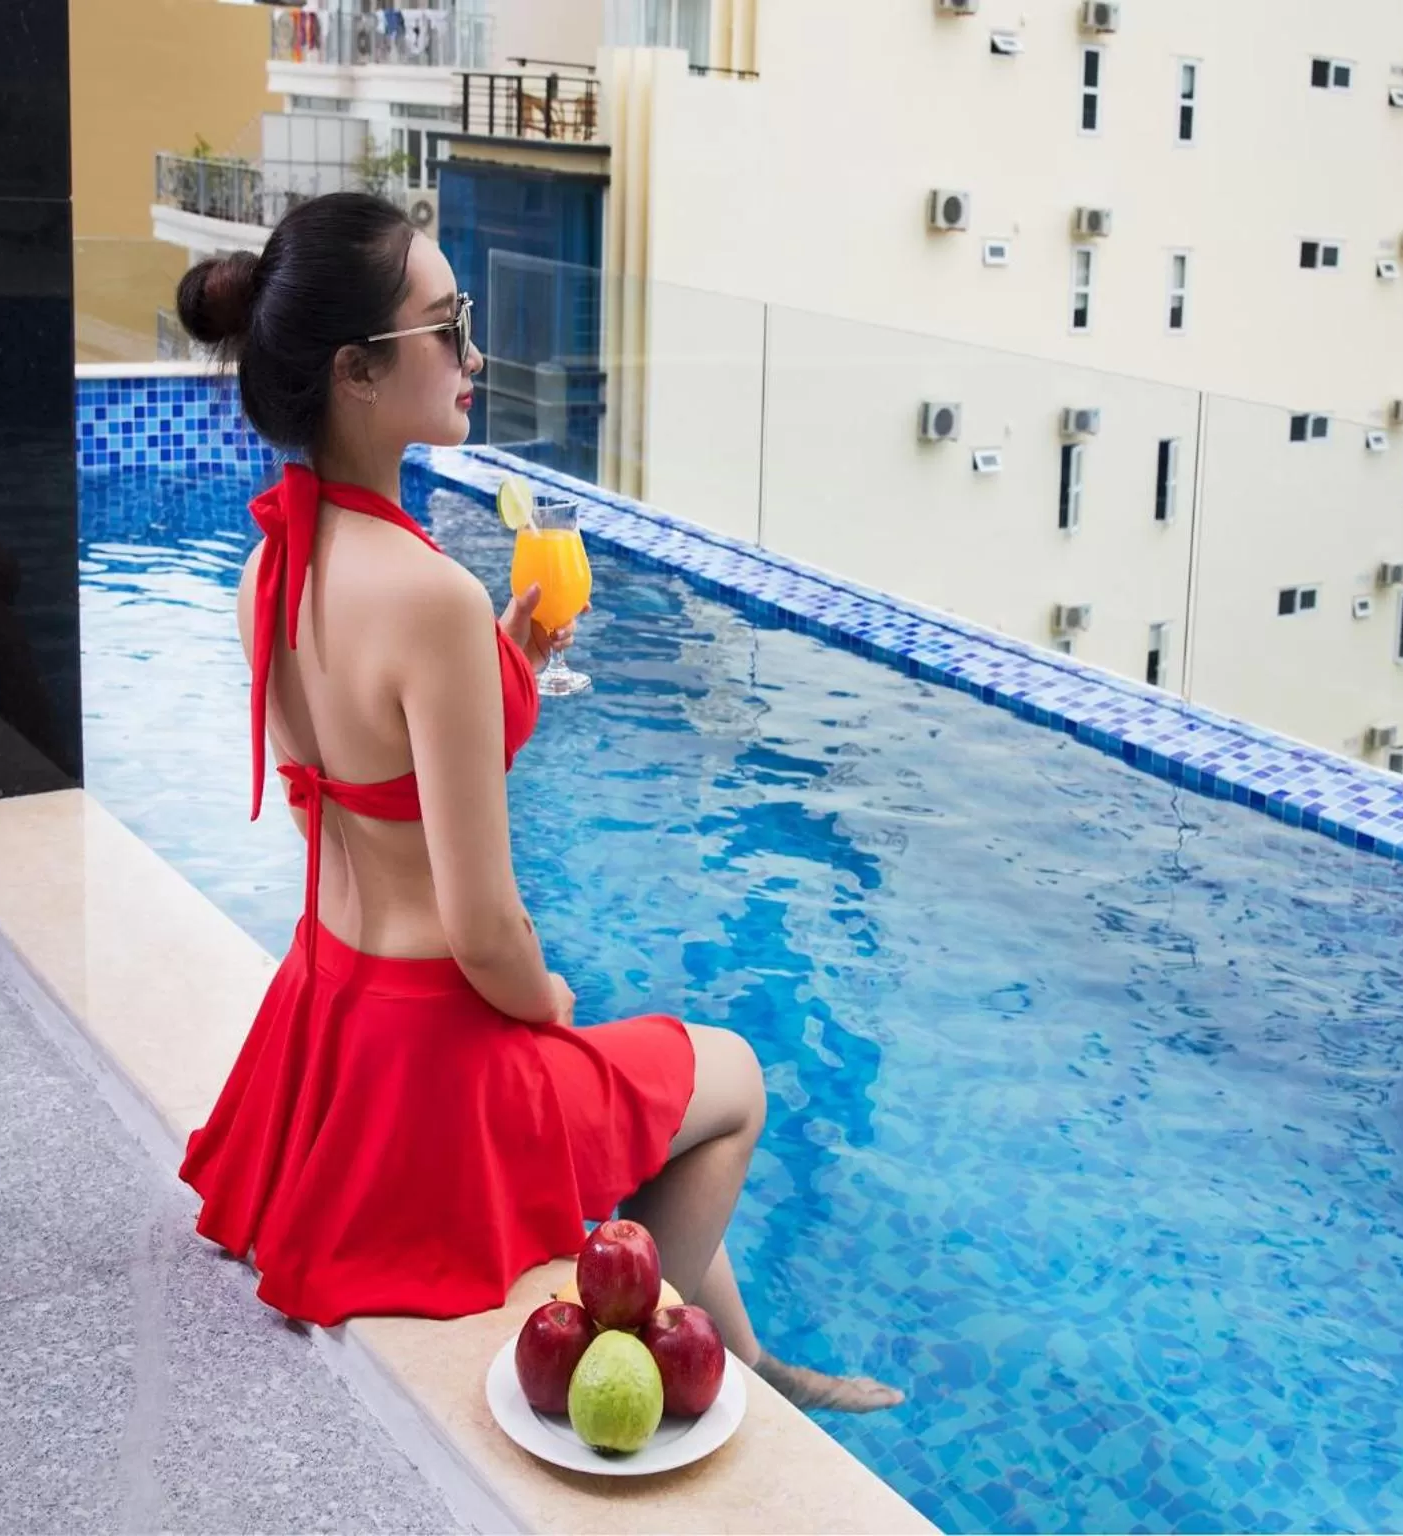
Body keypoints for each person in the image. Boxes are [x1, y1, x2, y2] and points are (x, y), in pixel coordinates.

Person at [175, 193, 898, 1413]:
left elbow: (345, 805)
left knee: (633, 1108)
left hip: (328, 1018)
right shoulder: (428, 597)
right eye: (446, 327)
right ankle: (627, 1343)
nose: (474, 354)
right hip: (436, 1061)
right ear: (357, 371)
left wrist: (502, 655)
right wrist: (543, 1001)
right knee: (727, 1080)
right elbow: (480, 929)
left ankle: (757, 1361)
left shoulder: (272, 563)